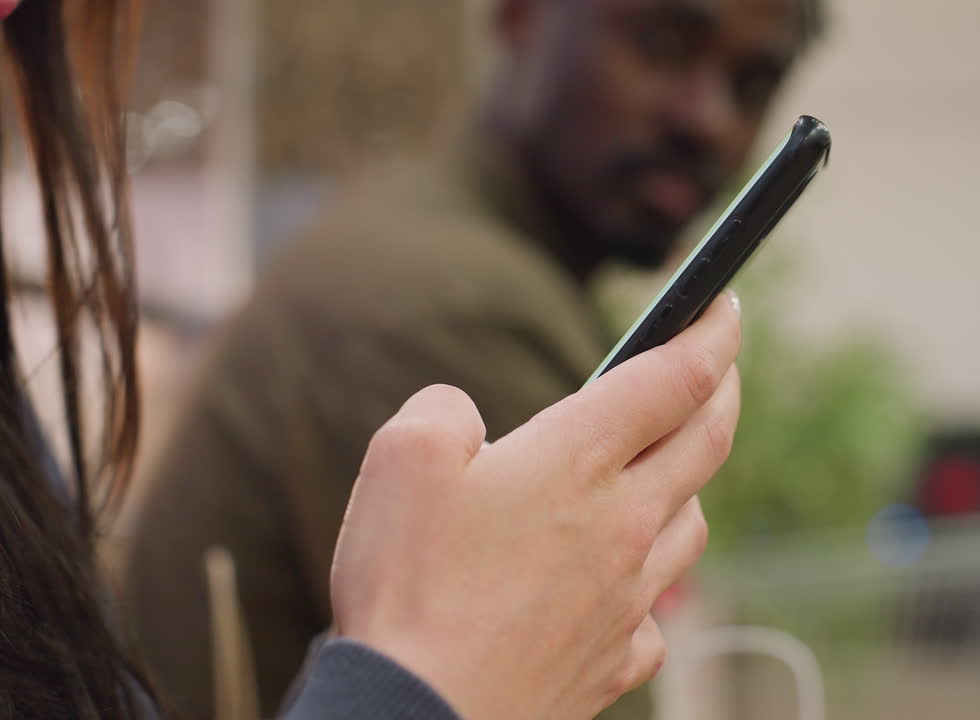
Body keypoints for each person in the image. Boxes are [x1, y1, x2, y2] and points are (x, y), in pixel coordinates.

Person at [0, 1, 742, 718]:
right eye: (660, 41)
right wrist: (428, 690)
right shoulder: (454, 304)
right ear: (522, 14)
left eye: (756, 83)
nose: (711, 119)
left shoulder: (443, 248)